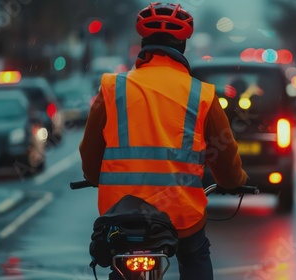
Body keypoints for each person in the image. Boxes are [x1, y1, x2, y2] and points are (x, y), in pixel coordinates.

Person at [79, 2, 248, 280]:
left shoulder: (112, 87)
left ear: (144, 42)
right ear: (182, 47)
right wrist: (234, 181)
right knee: (195, 255)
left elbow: (89, 151)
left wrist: (94, 176)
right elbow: (224, 155)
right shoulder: (202, 94)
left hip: (121, 215)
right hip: (180, 217)